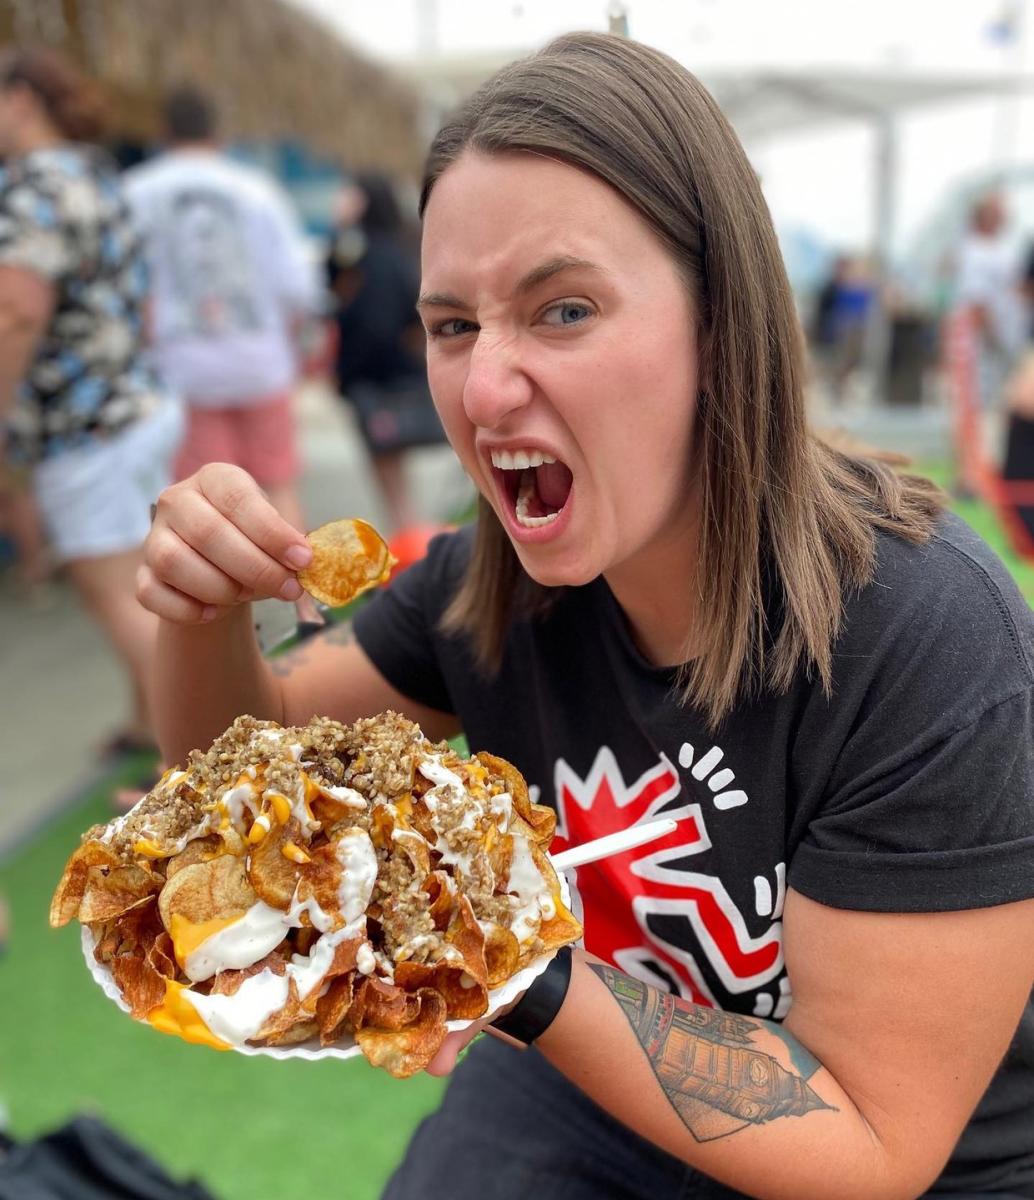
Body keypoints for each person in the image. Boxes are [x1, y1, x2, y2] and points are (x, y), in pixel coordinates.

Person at [138, 33, 1034, 1200]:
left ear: (721, 324)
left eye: (560, 311)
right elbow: (228, 773)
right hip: (597, 1070)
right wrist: (200, 610)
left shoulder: (925, 637)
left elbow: (865, 1145)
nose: (483, 386)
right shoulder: (486, 587)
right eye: (452, 325)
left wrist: (506, 962)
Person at [0, 46, 181, 755]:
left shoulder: (29, 188)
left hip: (84, 425)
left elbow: (14, 312)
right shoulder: (93, 172)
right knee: (142, 579)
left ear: (21, 98)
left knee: (112, 591)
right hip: (135, 403)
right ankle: (152, 723)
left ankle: (185, 759)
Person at [124, 84, 322, 628]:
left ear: (163, 134)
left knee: (203, 502)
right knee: (279, 483)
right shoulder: (257, 190)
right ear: (218, 132)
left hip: (183, 372)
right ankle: (306, 607)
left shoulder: (135, 192)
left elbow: (125, 292)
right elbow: (298, 287)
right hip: (261, 363)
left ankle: (228, 628)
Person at [326, 172, 444, 531]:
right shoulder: (407, 243)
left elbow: (370, 320)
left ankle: (408, 538)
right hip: (401, 371)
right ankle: (410, 535)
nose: (340, 201)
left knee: (388, 468)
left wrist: (347, 376)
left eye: (349, 194)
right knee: (393, 468)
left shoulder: (366, 253)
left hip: (376, 377)